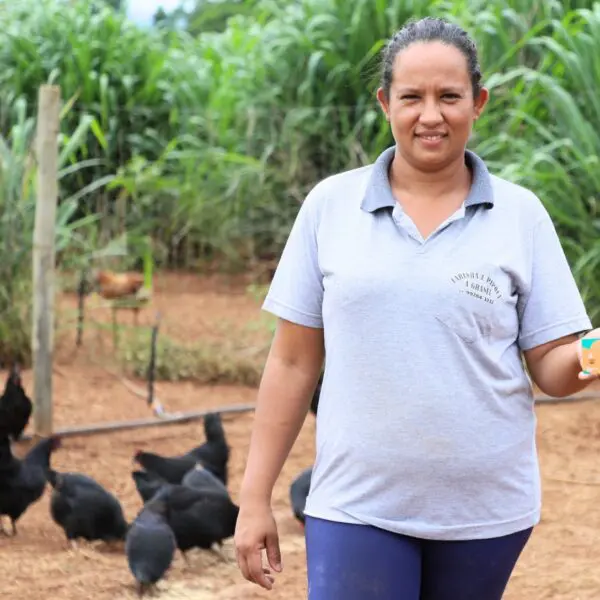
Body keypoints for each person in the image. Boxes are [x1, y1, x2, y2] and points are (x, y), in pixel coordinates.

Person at [233, 16, 599, 600]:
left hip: (486, 512)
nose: (431, 115)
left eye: (449, 96)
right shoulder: (330, 206)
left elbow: (550, 369)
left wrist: (594, 350)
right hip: (356, 504)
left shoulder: (520, 215)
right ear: (385, 103)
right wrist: (254, 498)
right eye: (412, 97)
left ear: (477, 102)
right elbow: (293, 364)